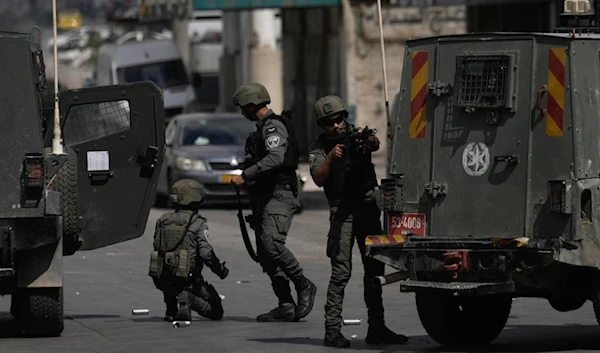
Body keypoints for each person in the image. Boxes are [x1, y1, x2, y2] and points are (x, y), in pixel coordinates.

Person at [308, 95, 409, 347]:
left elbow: (374, 145)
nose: (337, 126)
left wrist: (370, 141)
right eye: (330, 123)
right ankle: (332, 331)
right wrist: (332, 157)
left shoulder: (357, 137)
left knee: (375, 270)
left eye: (340, 119)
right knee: (341, 273)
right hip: (342, 213)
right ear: (323, 124)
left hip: (367, 209)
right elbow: (319, 179)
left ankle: (377, 327)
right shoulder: (319, 147)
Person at [230, 82, 317, 322]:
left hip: (280, 193)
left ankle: (303, 284)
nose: (242, 113)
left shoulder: (273, 127)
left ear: (251, 104)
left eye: (243, 107)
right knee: (266, 255)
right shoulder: (261, 129)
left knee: (271, 244)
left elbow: (276, 158)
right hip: (264, 194)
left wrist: (245, 175)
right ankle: (285, 304)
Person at [149, 179, 229, 322]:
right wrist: (220, 270)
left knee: (169, 268)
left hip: (162, 279)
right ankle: (190, 299)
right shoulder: (198, 222)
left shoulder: (162, 220)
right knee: (217, 312)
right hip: (188, 280)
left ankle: (171, 309)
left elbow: (158, 248)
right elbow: (206, 254)